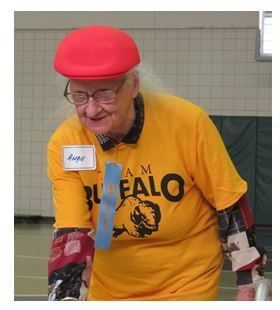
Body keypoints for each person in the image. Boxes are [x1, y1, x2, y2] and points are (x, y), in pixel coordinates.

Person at [46, 25, 265, 300]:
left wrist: (247, 282)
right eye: (80, 96)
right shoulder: (66, 142)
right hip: (110, 287)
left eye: (104, 94)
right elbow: (71, 232)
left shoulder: (187, 123)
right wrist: (64, 295)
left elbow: (230, 206)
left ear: (133, 84)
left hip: (186, 283)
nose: (90, 109)